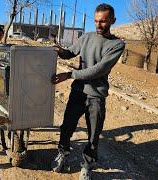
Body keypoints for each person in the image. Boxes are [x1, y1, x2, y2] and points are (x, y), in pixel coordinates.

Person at [51, 3, 125, 180]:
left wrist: (70, 74)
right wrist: (60, 51)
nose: (99, 25)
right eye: (96, 21)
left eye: (103, 21)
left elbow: (99, 70)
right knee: (67, 127)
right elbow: (70, 53)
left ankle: (86, 166)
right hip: (78, 92)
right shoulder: (86, 37)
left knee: (93, 134)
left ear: (113, 21)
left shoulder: (117, 44)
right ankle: (63, 153)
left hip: (96, 96)